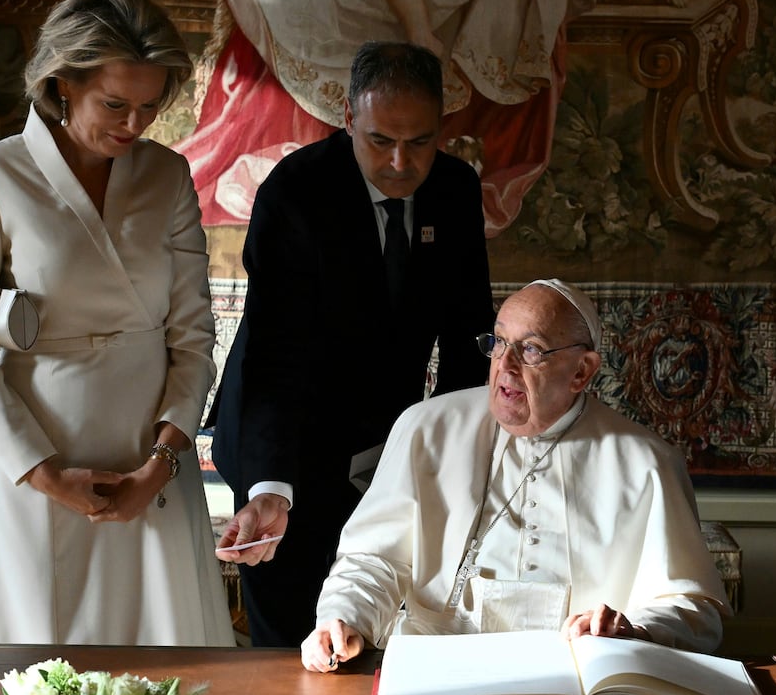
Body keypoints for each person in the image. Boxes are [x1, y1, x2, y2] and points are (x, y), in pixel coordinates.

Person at [0, 0, 233, 646]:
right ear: (63, 82)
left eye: (150, 107)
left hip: (149, 462)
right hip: (34, 461)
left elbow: (193, 339)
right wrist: (44, 473)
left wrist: (159, 465)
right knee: (39, 681)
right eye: (115, 104)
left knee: (164, 676)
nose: (134, 125)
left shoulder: (168, 175)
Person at [210, 40, 494, 647]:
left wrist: (452, 455)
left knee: (378, 628)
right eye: (380, 140)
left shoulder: (454, 190)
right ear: (347, 118)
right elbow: (274, 350)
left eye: (419, 141)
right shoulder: (297, 192)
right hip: (286, 439)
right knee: (291, 637)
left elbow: (468, 338)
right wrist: (270, 488)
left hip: (385, 445)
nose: (399, 161)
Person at [293, 279, 731, 672]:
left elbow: (692, 608)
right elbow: (374, 559)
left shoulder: (646, 462)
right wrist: (346, 617)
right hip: (433, 670)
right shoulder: (427, 428)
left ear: (582, 371)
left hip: (572, 679)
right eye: (498, 342)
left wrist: (631, 630)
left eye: (532, 349)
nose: (505, 365)